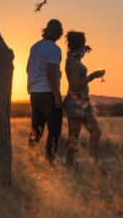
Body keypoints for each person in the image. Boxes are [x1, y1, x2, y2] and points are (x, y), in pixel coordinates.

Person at [63, 31, 106, 168]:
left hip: (84, 102)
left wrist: (84, 49)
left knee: (96, 132)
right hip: (75, 102)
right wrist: (92, 76)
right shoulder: (72, 62)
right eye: (84, 43)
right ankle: (69, 166)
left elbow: (77, 54)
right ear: (79, 44)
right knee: (74, 137)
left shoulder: (74, 57)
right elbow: (74, 85)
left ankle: (94, 163)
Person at [27, 19, 64, 164]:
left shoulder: (35, 47)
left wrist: (55, 73)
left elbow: (27, 69)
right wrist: (57, 95)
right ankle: (49, 162)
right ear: (59, 33)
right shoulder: (55, 49)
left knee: (36, 131)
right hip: (48, 93)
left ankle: (30, 161)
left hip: (34, 94)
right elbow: (49, 72)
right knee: (54, 131)